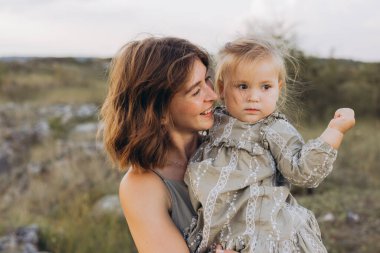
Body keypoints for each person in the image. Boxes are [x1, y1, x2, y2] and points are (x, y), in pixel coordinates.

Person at [184, 37, 356, 252]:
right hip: (220, 237)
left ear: (278, 88)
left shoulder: (274, 129)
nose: (254, 97)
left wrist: (335, 130)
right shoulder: (213, 123)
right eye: (243, 86)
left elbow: (303, 172)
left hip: (267, 236)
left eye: (265, 87)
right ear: (222, 87)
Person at [99, 36, 236, 253]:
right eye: (195, 90)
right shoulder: (141, 186)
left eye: (207, 80)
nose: (213, 95)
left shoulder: (229, 146)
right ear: (159, 111)